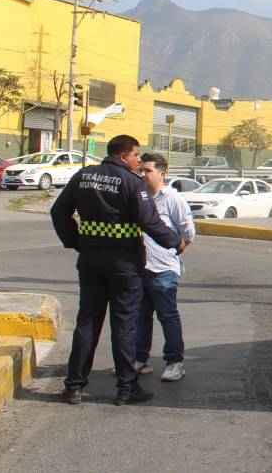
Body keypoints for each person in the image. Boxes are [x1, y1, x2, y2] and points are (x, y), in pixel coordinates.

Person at [50, 134, 184, 406]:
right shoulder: (132, 182)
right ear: (124, 155)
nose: (138, 160)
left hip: (90, 260)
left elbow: (58, 212)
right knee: (124, 324)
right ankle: (126, 388)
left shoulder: (83, 176)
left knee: (87, 322)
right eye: (136, 156)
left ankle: (74, 386)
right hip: (124, 263)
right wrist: (175, 242)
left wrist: (74, 241)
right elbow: (150, 221)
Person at [133, 153, 194, 382]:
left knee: (167, 315)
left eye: (147, 170)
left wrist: (176, 249)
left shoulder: (173, 199)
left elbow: (188, 233)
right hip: (140, 267)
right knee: (140, 315)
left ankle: (174, 362)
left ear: (162, 173)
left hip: (164, 268)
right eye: (140, 169)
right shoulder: (138, 197)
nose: (142, 174)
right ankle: (140, 359)